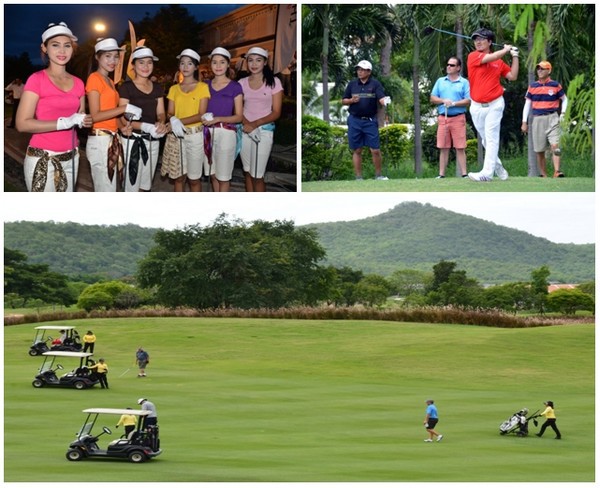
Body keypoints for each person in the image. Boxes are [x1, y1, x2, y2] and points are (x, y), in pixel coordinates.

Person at [16, 22, 93, 191]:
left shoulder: (79, 83)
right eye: (55, 45)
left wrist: (84, 120)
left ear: (73, 49)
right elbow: (22, 124)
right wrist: (63, 123)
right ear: (44, 48)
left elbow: (81, 114)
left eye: (67, 45)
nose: (62, 51)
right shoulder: (36, 79)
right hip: (43, 158)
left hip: (72, 157)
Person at [86, 38, 141, 192]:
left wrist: (122, 128)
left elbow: (110, 113)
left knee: (111, 187)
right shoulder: (94, 78)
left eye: (116, 56)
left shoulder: (110, 81)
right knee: (106, 190)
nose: (113, 61)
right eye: (108, 56)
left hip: (111, 138)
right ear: (97, 57)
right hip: (100, 141)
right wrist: (124, 108)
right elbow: (95, 116)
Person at [466, 28, 519, 182]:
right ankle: (498, 166)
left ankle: (486, 174)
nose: (478, 42)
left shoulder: (499, 62)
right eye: (476, 39)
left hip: (495, 104)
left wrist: (514, 56)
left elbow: (513, 76)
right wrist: (505, 49)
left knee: (491, 138)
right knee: (485, 140)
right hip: (476, 106)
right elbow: (492, 57)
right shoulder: (473, 56)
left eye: (482, 39)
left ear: (490, 42)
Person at [117, 46, 168, 192]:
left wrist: (161, 123)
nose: (146, 66)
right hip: (132, 140)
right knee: (131, 184)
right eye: (141, 62)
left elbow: (161, 113)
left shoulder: (158, 87)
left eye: (149, 62)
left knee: (146, 185)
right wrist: (145, 126)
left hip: (153, 140)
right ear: (133, 65)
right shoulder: (126, 87)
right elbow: (124, 116)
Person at [162, 49, 210, 192]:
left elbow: (201, 114)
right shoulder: (174, 89)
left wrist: (178, 121)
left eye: (189, 63)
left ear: (196, 67)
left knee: (194, 179)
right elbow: (170, 112)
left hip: (195, 136)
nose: (185, 67)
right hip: (177, 136)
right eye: (182, 63)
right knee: (179, 177)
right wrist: (173, 119)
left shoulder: (203, 87)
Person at [239, 46, 283, 192]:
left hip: (264, 131)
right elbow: (237, 109)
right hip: (245, 130)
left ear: (265, 62)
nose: (254, 64)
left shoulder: (274, 82)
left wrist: (255, 124)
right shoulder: (241, 83)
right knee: (247, 171)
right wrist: (247, 125)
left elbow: (276, 112)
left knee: (258, 175)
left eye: (258, 60)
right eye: (250, 60)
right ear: (246, 62)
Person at [201, 47, 243, 192]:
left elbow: (239, 116)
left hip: (226, 133)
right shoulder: (204, 85)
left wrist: (217, 119)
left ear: (228, 64)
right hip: (207, 133)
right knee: (212, 174)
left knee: (223, 177)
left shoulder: (235, 86)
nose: (218, 66)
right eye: (215, 62)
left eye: (222, 62)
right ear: (210, 65)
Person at [342, 60, 390, 180]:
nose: (360, 72)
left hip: (370, 121)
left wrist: (385, 101)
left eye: (362, 70)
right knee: (357, 149)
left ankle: (378, 175)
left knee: (375, 150)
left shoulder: (375, 84)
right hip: (354, 120)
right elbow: (343, 100)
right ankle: (358, 177)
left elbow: (381, 98)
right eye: (358, 69)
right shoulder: (352, 84)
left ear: (369, 72)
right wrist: (351, 100)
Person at [521, 61, 568, 178]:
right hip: (537, 120)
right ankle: (544, 175)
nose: (540, 71)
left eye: (543, 68)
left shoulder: (555, 85)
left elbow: (565, 99)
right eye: (538, 69)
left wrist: (562, 114)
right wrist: (524, 122)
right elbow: (527, 104)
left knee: (555, 146)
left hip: (552, 117)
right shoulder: (532, 86)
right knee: (539, 150)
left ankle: (557, 171)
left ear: (549, 71)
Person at [430, 56, 471, 178]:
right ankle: (441, 175)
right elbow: (432, 98)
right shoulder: (440, 81)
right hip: (443, 118)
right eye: (448, 64)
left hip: (458, 117)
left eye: (452, 65)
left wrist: (454, 103)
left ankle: (464, 174)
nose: (448, 67)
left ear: (458, 68)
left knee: (460, 146)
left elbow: (468, 100)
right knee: (443, 147)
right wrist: (443, 100)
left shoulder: (464, 82)